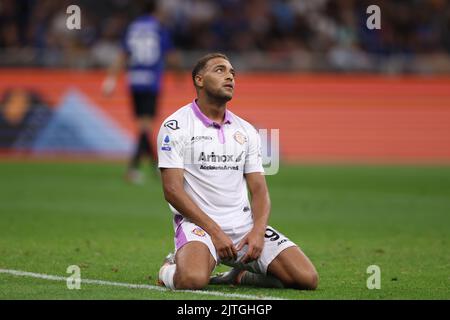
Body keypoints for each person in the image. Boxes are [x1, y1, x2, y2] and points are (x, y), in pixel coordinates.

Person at [156, 53, 318, 290]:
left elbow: (260, 190)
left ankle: (238, 276)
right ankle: (167, 269)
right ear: (199, 80)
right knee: (192, 281)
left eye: (232, 72)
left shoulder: (247, 131)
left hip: (243, 227)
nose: (230, 76)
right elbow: (172, 190)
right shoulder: (175, 126)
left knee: (306, 279)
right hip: (199, 226)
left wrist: (258, 231)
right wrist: (215, 231)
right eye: (220, 70)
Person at [102, 0, 180, 184]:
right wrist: (180, 74)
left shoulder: (133, 28)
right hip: (151, 81)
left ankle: (155, 165)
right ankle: (133, 169)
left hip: (134, 80)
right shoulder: (159, 29)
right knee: (146, 126)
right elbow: (171, 55)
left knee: (143, 126)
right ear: (155, 11)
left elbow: (123, 55)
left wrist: (111, 79)